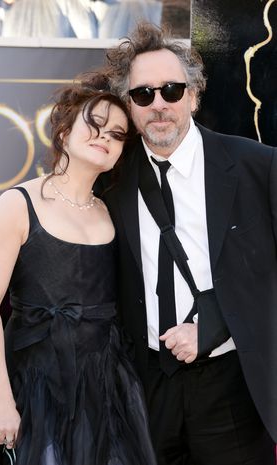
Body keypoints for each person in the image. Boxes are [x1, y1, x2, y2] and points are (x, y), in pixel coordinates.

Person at [98, 22, 277, 464]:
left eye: (172, 91)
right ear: (129, 106)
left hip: (230, 385)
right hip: (144, 384)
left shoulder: (258, 166)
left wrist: (218, 322)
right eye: (143, 94)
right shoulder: (109, 182)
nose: (158, 105)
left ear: (194, 96)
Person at [0, 75, 157, 465]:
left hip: (105, 388)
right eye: (96, 124)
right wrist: (3, 401)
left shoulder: (113, 211)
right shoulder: (17, 204)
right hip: (33, 386)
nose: (105, 137)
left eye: (118, 134)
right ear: (66, 130)